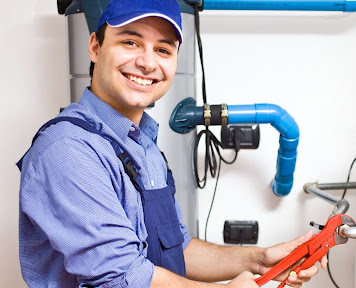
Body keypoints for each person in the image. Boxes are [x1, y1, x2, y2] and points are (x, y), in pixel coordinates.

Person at [17, 0, 327, 287]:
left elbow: (177, 247)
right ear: (95, 47)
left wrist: (259, 260)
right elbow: (122, 277)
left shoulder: (145, 146)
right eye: (130, 42)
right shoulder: (68, 150)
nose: (148, 63)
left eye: (163, 50)